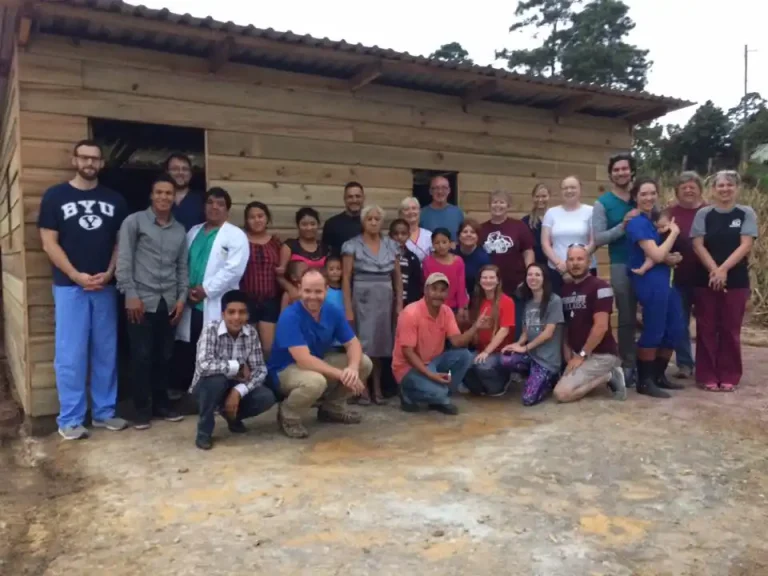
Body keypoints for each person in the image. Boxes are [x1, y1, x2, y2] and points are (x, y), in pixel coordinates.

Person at [37, 139, 129, 440]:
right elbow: (48, 242)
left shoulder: (115, 199)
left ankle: (104, 413)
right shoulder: (55, 196)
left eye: (95, 159)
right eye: (84, 158)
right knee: (70, 353)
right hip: (69, 287)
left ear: (101, 164)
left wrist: (111, 272)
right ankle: (70, 419)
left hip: (104, 286)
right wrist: (76, 275)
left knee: (106, 351)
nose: (90, 164)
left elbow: (120, 242)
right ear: (74, 160)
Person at [116, 174, 188, 429]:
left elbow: (182, 268)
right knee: (141, 356)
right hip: (140, 300)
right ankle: (142, 410)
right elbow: (124, 261)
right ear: (151, 195)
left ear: (174, 197)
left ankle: (162, 405)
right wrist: (130, 295)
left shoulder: (179, 230)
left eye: (168, 193)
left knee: (164, 356)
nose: (164, 197)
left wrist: (181, 299)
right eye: (159, 192)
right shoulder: (133, 222)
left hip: (167, 302)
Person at [268, 268, 372, 439]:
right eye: (307, 291)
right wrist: (342, 375)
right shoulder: (290, 316)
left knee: (363, 362)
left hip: (315, 361)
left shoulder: (332, 311)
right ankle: (288, 415)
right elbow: (304, 360)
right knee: (315, 382)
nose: (312, 296)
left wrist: (352, 368)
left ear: (326, 290)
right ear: (300, 289)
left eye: (318, 291)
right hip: (285, 370)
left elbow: (353, 343)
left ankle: (332, 409)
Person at [174, 187, 249, 394]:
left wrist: (206, 289)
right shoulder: (193, 231)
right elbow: (183, 262)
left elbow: (234, 270)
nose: (214, 207)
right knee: (190, 348)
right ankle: (190, 393)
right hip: (191, 301)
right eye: (210, 202)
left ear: (227, 210)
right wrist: (186, 288)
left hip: (215, 301)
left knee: (215, 350)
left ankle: (214, 395)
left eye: (220, 204)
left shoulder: (235, 235)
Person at [691, 171, 757, 392]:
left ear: (736, 188)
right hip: (705, 279)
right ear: (713, 189)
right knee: (706, 328)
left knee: (730, 329)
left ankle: (729, 374)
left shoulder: (745, 213)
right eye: (720, 185)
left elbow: (745, 244)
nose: (725, 189)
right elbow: (698, 244)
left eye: (729, 185)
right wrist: (714, 270)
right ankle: (707, 374)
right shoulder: (704, 214)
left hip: (736, 280)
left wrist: (724, 270)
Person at [392, 273, 491, 415]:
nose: (438, 294)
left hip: (433, 362)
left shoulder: (446, 311)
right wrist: (432, 376)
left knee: (464, 356)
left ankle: (438, 396)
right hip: (409, 368)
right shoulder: (410, 313)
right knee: (440, 393)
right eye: (434, 289)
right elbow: (408, 353)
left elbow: (457, 342)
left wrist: (476, 326)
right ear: (425, 290)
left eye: (443, 290)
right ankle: (408, 393)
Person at [189, 290, 276, 450]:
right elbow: (204, 365)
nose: (236, 317)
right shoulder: (211, 330)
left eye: (242, 312)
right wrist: (238, 366)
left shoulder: (251, 333)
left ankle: (232, 416)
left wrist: (238, 391)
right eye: (231, 312)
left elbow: (260, 370)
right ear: (223, 314)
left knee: (266, 396)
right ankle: (204, 431)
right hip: (206, 389)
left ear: (248, 315)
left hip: (234, 386)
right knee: (216, 379)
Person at [626, 178, 685, 399]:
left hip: (664, 278)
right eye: (643, 194)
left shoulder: (655, 220)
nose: (649, 198)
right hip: (648, 280)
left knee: (675, 327)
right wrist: (674, 234)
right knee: (654, 328)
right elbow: (657, 254)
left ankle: (659, 375)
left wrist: (671, 257)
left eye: (652, 193)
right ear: (635, 197)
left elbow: (662, 255)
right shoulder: (637, 223)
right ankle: (645, 380)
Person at [342, 205, 403, 405]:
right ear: (363, 221)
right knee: (363, 343)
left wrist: (399, 304)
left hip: (385, 298)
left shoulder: (391, 245)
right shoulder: (352, 245)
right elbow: (346, 277)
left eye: (378, 219)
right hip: (362, 298)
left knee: (381, 344)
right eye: (370, 219)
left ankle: (377, 387)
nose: (374, 222)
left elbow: (397, 277)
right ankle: (363, 388)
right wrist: (348, 308)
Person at [556, 245, 626, 403]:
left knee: (562, 394)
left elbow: (601, 327)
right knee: (561, 383)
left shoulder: (601, 287)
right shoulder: (565, 290)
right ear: (566, 263)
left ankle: (610, 375)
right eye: (571, 259)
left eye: (580, 259)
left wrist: (582, 355)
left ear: (589, 262)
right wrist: (568, 353)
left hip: (601, 355)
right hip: (579, 354)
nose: (575, 263)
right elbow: (567, 325)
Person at [592, 153, 639, 386]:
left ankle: (651, 365)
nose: (621, 172)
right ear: (611, 174)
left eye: (625, 168)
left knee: (651, 314)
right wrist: (624, 225)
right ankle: (629, 364)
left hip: (650, 261)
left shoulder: (642, 195)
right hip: (621, 262)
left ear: (631, 171)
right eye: (617, 169)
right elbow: (599, 238)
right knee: (627, 316)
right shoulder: (603, 203)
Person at [500, 263, 564, 406]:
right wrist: (517, 344)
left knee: (528, 400)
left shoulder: (554, 301)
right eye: (530, 275)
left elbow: (548, 333)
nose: (533, 278)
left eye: (537, 275)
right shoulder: (528, 303)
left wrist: (525, 348)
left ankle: (550, 379)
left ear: (544, 279)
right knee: (505, 359)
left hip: (547, 360)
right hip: (531, 355)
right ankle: (531, 375)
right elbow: (525, 332)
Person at [479, 189, 535, 336]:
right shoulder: (482, 229)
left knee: (514, 325)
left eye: (502, 202)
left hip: (515, 285)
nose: (498, 205)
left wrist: (528, 274)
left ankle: (514, 355)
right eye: (494, 202)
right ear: (489, 205)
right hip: (490, 287)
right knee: (492, 325)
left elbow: (528, 251)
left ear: (508, 205)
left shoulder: (518, 226)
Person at [667, 172, 706, 379]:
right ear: (677, 192)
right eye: (684, 188)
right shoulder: (670, 213)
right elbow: (660, 240)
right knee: (679, 322)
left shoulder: (709, 211)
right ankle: (684, 363)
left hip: (706, 277)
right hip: (679, 277)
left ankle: (706, 362)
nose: (688, 190)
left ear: (700, 189)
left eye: (692, 187)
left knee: (706, 322)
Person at [239, 201, 287, 357]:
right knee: (247, 349)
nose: (257, 220)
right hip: (246, 301)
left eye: (260, 216)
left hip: (270, 301)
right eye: (252, 217)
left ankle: (269, 380)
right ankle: (250, 381)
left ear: (267, 218)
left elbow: (282, 270)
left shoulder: (275, 242)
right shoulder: (240, 240)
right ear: (246, 220)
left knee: (268, 348)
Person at [463, 265, 516, 397]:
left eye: (492, 277)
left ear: (498, 280)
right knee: (463, 363)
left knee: (483, 366)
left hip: (499, 352)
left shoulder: (507, 301)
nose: (488, 280)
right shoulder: (477, 301)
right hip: (480, 349)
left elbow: (504, 330)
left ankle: (501, 384)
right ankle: (481, 388)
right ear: (480, 281)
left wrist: (487, 352)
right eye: (484, 277)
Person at [541, 176, 597, 295]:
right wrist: (560, 265)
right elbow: (545, 244)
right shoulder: (551, 213)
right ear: (561, 191)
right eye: (565, 188)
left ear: (580, 190)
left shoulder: (591, 211)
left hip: (585, 271)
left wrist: (578, 263)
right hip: (557, 271)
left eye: (573, 187)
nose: (569, 191)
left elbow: (594, 241)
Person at [422, 228, 469, 320]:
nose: (441, 246)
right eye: (437, 243)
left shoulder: (458, 261)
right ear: (432, 244)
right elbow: (426, 286)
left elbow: (461, 286)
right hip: (433, 306)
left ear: (450, 243)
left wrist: (461, 308)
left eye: (444, 242)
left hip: (453, 307)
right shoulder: (427, 262)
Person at [321, 182, 365, 257]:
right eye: (350, 197)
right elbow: (326, 254)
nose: (354, 200)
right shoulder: (332, 224)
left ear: (363, 198)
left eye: (358, 196)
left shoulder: (371, 223)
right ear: (344, 199)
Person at [166, 153, 205, 232]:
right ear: (167, 173)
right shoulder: (159, 198)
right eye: (175, 169)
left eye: (185, 169)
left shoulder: (202, 199)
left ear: (190, 174)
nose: (180, 173)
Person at [419, 176, 464, 242]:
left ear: (449, 191)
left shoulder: (457, 213)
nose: (440, 191)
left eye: (444, 188)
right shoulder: (421, 213)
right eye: (436, 188)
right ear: (430, 191)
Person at [454, 218, 491, 299]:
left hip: (476, 299)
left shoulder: (484, 258)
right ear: (459, 236)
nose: (469, 234)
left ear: (478, 237)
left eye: (473, 232)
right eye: (465, 232)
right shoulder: (451, 254)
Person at [389, 218, 423, 306]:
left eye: (403, 233)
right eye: (396, 234)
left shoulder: (412, 258)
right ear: (390, 235)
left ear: (408, 235)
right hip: (388, 302)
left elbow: (416, 285)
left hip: (407, 303)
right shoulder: (385, 256)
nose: (399, 237)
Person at [521, 183, 551, 266]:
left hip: (554, 265)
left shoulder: (556, 218)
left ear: (549, 197)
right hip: (534, 266)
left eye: (544, 196)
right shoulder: (525, 222)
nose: (540, 199)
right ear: (533, 198)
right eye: (537, 196)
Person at [398, 196, 433, 261]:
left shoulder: (429, 235)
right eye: (406, 209)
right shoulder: (396, 236)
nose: (411, 212)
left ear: (419, 211)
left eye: (414, 208)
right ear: (401, 214)